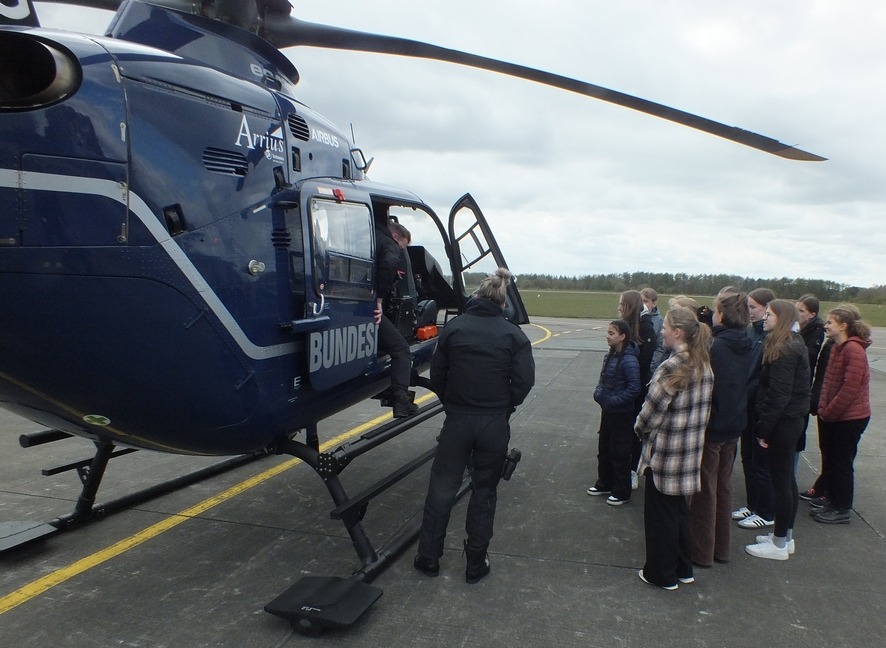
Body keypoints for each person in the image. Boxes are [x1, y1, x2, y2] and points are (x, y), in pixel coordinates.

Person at [414, 268, 535, 583]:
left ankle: (428, 558)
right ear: (502, 303)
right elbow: (524, 382)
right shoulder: (514, 335)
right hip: (493, 422)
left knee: (441, 489)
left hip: (458, 419)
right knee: (484, 492)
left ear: (477, 297)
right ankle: (475, 564)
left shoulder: (454, 329)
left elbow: (438, 373)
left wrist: (453, 402)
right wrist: (503, 406)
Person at [635, 306, 713, 590]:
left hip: (666, 453)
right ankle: (683, 567)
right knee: (678, 511)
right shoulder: (703, 363)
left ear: (677, 332)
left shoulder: (672, 365)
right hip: (690, 451)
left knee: (660, 517)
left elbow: (650, 412)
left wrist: (639, 429)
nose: (662, 331)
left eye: (665, 327)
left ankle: (661, 573)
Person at [689, 291, 753, 567]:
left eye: (716, 311)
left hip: (713, 424)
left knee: (705, 490)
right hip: (735, 421)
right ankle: (721, 547)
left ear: (723, 315)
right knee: (724, 487)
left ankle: (701, 551)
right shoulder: (750, 342)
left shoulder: (715, 347)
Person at [745, 300, 810, 560]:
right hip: (790, 420)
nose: (765, 318)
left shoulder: (784, 347)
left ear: (781, 318)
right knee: (786, 481)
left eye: (769, 315)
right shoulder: (792, 341)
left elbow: (778, 395)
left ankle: (779, 544)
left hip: (783, 423)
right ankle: (785, 537)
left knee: (781, 482)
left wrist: (763, 429)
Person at [810, 304, 872, 525]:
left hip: (849, 418)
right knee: (833, 461)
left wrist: (830, 412)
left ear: (843, 326)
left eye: (829, 322)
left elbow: (850, 389)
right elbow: (828, 384)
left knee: (842, 463)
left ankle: (842, 507)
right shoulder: (837, 347)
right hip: (835, 416)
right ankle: (833, 501)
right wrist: (823, 409)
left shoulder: (853, 350)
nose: (825, 326)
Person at [733, 287, 776, 529]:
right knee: (748, 457)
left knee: (761, 464)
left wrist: (747, 392)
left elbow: (764, 378)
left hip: (758, 406)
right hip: (747, 404)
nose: (749, 312)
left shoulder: (771, 339)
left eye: (753, 307)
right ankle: (753, 504)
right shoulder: (753, 333)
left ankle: (766, 512)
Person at [588, 319, 641, 506]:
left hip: (621, 413)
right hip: (608, 410)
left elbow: (634, 388)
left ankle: (621, 491)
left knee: (619, 452)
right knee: (605, 448)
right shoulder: (610, 356)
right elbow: (602, 379)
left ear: (622, 336)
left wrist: (613, 401)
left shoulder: (629, 360)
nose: (607, 336)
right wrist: (599, 394)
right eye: (607, 332)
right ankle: (605, 482)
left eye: (611, 333)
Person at [375, 220, 417, 418]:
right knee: (401, 349)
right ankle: (401, 403)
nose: (401, 252)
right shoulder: (389, 244)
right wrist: (379, 299)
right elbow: (390, 263)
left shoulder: (370, 235)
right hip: (368, 308)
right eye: (402, 247)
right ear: (395, 237)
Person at [619, 290, 656, 491]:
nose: (618, 307)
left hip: (636, 390)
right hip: (624, 389)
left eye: (621, 303)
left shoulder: (646, 329)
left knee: (635, 432)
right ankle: (624, 466)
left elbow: (644, 364)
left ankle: (633, 470)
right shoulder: (627, 326)